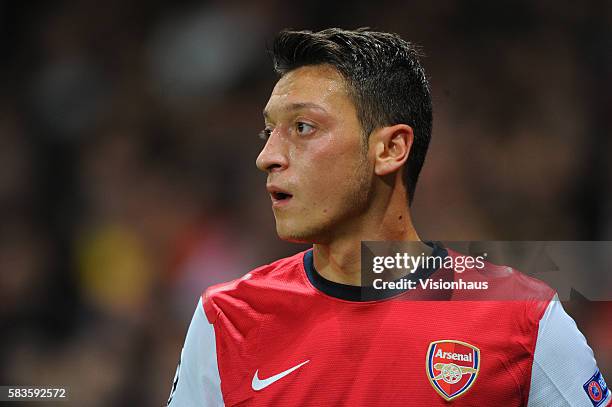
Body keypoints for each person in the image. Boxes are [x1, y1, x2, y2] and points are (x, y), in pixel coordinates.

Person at [166, 28, 610, 406]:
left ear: (391, 149)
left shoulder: (523, 317)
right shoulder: (225, 320)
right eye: (269, 131)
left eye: (303, 128)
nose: (267, 156)